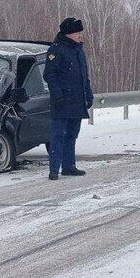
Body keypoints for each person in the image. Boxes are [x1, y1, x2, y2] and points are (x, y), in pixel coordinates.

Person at [43, 17, 94, 180]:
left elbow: (84, 76)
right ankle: (53, 169)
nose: (81, 36)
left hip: (77, 101)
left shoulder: (78, 50)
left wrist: (88, 93)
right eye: (78, 32)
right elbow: (49, 75)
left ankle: (68, 166)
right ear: (69, 33)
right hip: (62, 101)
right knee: (58, 136)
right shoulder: (56, 50)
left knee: (72, 134)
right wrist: (57, 95)